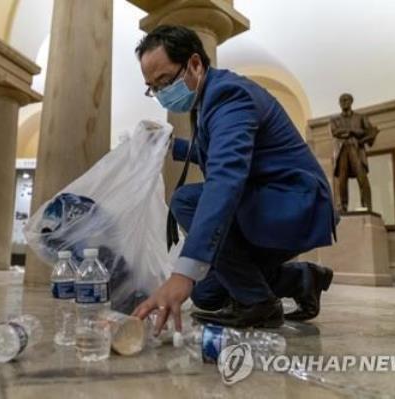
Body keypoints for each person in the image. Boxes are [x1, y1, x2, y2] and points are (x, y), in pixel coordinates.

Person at [131, 25, 336, 334]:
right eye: (153, 88)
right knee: (207, 294)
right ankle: (301, 279)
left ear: (195, 64)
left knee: (185, 200)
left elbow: (226, 177)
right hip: (269, 204)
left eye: (165, 81)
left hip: (293, 204)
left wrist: (183, 272)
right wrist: (170, 146)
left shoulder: (228, 95)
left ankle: (261, 305)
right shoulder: (206, 99)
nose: (161, 94)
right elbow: (217, 152)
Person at [331, 93, 379, 212]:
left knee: (362, 177)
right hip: (343, 150)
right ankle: (343, 206)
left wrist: (351, 132)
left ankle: (367, 205)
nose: (344, 102)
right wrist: (355, 132)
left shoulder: (361, 117)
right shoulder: (335, 119)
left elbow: (368, 131)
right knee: (342, 180)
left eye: (346, 100)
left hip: (356, 149)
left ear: (351, 102)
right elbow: (335, 132)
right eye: (341, 100)